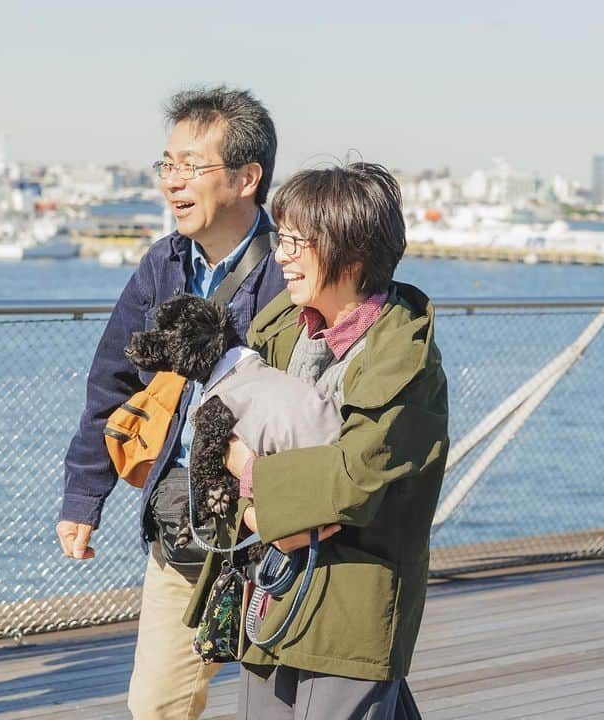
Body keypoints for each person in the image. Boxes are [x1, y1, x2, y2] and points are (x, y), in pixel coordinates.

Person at [185, 162, 448, 719]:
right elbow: (229, 423)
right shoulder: (281, 325)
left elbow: (352, 480)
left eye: (298, 242)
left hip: (353, 603)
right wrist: (261, 493)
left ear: (351, 254)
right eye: (282, 238)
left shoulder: (402, 354)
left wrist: (248, 473)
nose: (281, 254)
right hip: (273, 589)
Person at [57, 85, 283, 720]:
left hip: (278, 522)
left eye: (192, 166)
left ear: (247, 177)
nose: (173, 182)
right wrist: (83, 497)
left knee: (289, 703)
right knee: (156, 703)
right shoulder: (165, 263)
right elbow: (111, 380)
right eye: (168, 165)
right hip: (186, 518)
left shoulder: (292, 266)